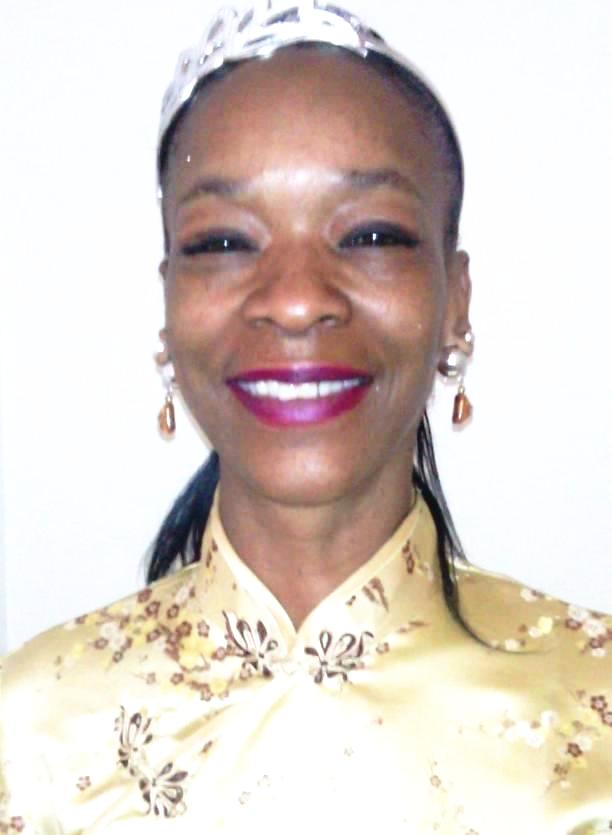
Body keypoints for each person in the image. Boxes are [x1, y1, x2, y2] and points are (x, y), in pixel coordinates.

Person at [1, 2, 611, 832]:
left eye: (371, 236)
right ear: (168, 306)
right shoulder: (27, 737)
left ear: (455, 302)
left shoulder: (595, 709)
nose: (294, 301)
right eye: (224, 243)